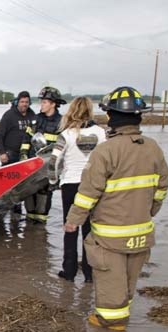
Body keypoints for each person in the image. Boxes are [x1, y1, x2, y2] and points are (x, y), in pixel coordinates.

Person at [65, 86, 168, 332]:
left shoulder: (106, 151)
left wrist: (73, 220)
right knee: (129, 279)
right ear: (139, 116)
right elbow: (162, 187)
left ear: (111, 117)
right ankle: (121, 316)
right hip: (141, 233)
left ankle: (110, 329)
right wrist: (149, 211)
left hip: (111, 235)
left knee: (111, 280)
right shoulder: (153, 148)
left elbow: (88, 192)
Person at [47, 96, 107, 282]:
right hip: (95, 185)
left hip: (71, 185)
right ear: (90, 111)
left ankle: (69, 271)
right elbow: (108, 160)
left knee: (70, 228)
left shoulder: (66, 134)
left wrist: (52, 182)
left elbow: (53, 161)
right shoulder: (101, 133)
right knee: (91, 231)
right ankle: (90, 274)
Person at [22, 86, 66, 223]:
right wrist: (23, 155)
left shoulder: (61, 122)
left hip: (49, 165)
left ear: (53, 104)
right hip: (31, 163)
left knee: (45, 193)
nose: (42, 105)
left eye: (45, 102)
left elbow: (63, 145)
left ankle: (40, 228)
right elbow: (26, 139)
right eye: (41, 102)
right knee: (28, 192)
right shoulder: (35, 120)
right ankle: (30, 221)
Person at [0, 90, 36, 166]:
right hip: (11, 155)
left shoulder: (32, 114)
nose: (24, 104)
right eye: (22, 102)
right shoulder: (9, 115)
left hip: (27, 154)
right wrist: (2, 153)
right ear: (18, 102)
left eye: (26, 102)